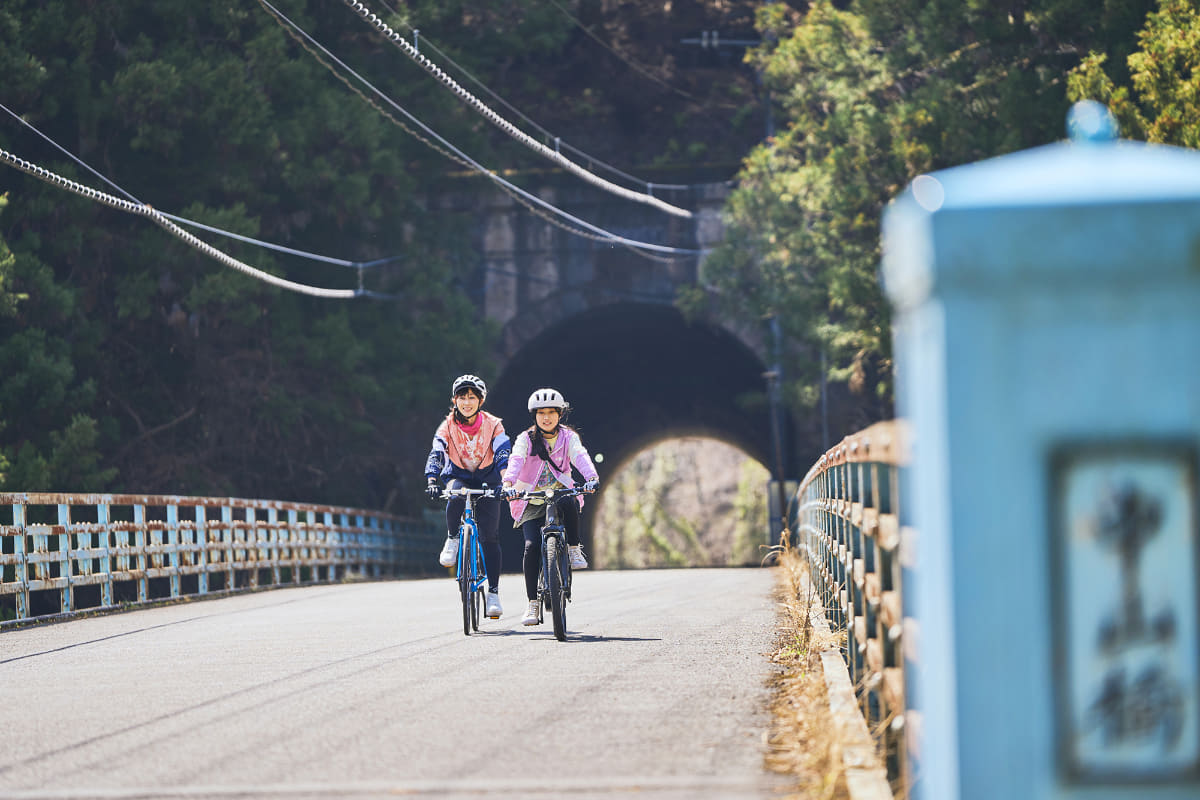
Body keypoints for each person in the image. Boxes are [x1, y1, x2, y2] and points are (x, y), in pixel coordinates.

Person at [501, 388, 599, 626]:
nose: (546, 417)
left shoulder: (568, 437)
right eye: (541, 413)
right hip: (531, 497)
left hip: (560, 492)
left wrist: (591, 477)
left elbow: (580, 456)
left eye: (552, 412)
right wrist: (508, 483)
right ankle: (532, 603)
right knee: (531, 546)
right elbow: (516, 459)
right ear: (534, 415)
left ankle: (574, 548)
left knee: (570, 501)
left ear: (560, 414)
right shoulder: (526, 439)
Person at [424, 374, 510, 618]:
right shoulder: (447, 426)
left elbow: (504, 452)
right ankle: (452, 539)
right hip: (458, 475)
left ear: (480, 401)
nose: (467, 402)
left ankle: (493, 593)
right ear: (454, 400)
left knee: (490, 538)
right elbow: (437, 452)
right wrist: (432, 478)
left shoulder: (494, 425)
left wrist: (507, 480)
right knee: (456, 494)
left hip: (488, 479)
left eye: (472, 397)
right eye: (462, 397)